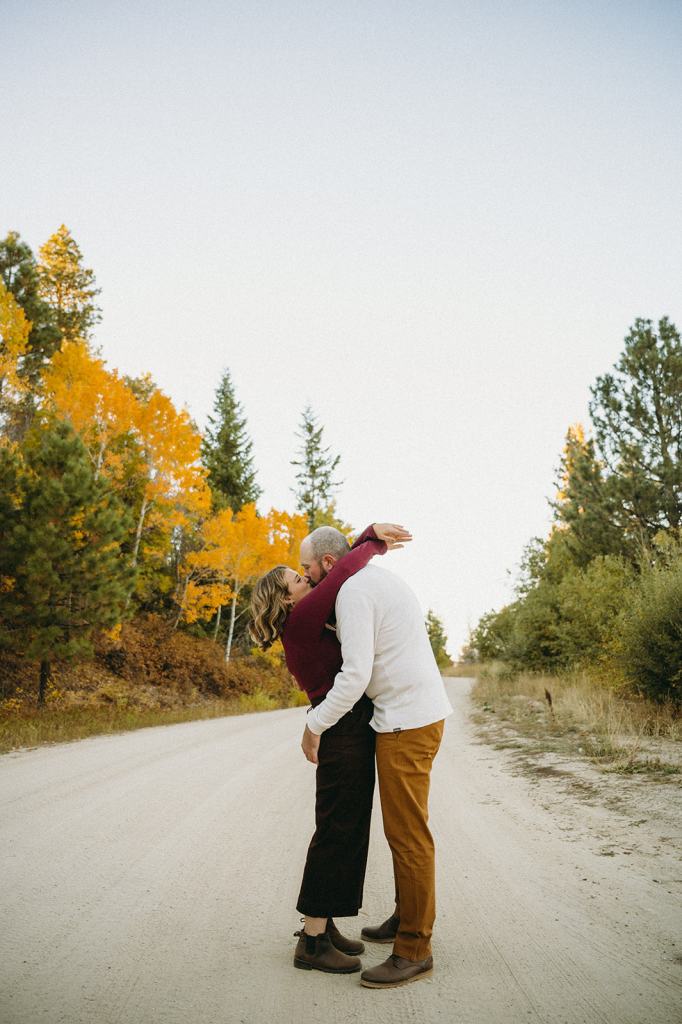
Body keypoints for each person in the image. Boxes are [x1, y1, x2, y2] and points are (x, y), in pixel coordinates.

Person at [249, 521, 412, 975]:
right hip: (340, 728)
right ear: (287, 598)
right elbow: (341, 570)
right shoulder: (302, 617)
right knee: (337, 828)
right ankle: (312, 941)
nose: (307, 580)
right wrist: (372, 538)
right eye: (297, 579)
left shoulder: (303, 620)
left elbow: (334, 570)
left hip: (347, 726)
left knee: (348, 825)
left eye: (304, 573)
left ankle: (324, 924)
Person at [300, 524, 454, 989]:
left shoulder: (352, 594)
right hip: (412, 713)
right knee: (403, 830)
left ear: (328, 564)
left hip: (408, 720)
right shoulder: (372, 579)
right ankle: (405, 917)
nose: (306, 579)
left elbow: (355, 674)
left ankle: (413, 949)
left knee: (408, 835)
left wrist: (314, 724)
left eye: (307, 568)